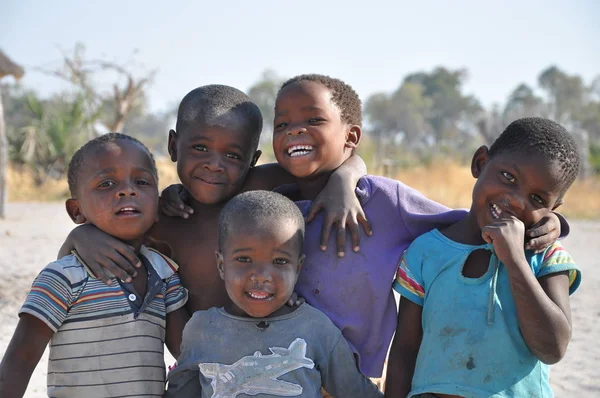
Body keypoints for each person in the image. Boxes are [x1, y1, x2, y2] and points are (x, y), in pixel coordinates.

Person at [162, 75, 567, 381]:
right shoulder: (265, 197)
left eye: (312, 120)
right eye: (283, 124)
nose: (294, 132)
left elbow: (466, 221)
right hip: (254, 368)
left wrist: (546, 219)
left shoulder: (372, 200)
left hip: (351, 372)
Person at [58, 85, 370, 314]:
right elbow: (79, 254)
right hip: (201, 361)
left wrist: (343, 182)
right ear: (173, 145)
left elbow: (345, 161)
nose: (214, 164)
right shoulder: (163, 218)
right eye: (200, 149)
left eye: (233, 155)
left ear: (252, 159)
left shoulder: (262, 186)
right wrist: (80, 234)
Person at [386, 117, 582, 398]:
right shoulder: (425, 252)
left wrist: (515, 260)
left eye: (537, 199)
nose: (516, 200)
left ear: (554, 207)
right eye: (509, 177)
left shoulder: (545, 256)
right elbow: (404, 349)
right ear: (480, 163)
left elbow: (553, 348)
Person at [0, 133, 189, 397]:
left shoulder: (164, 272)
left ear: (157, 204)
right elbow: (18, 363)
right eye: (107, 183)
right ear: (77, 211)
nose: (127, 190)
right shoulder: (63, 277)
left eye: (142, 181)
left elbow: (188, 352)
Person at [164, 190, 383, 398]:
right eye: (244, 259)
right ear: (221, 265)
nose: (261, 276)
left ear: (297, 268)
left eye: (279, 261)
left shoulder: (315, 327)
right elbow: (180, 392)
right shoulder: (201, 329)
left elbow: (356, 391)